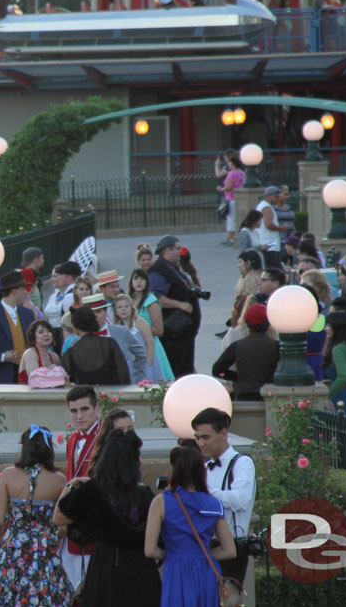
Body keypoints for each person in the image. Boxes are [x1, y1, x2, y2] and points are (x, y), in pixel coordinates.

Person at [54, 429, 161, 606]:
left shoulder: (92, 492)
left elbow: (59, 518)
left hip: (104, 566)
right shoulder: (144, 496)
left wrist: (70, 486)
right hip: (140, 568)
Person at [0, 424, 73, 607]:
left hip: (13, 546)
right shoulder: (59, 480)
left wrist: (7, 538)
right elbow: (64, 523)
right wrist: (52, 535)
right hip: (45, 547)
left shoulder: (8, 476)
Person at [145, 446, 236, 607]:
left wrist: (173, 555)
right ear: (201, 471)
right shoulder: (214, 503)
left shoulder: (161, 502)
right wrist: (202, 555)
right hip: (206, 571)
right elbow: (229, 550)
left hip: (176, 570)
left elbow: (150, 550)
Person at [192, 408, 256, 585]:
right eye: (197, 438)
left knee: (227, 600)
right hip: (206, 544)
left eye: (206, 437)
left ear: (223, 434)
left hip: (233, 548)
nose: (201, 443)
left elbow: (241, 500)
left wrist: (206, 495)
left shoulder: (242, 462)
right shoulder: (204, 467)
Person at [58, 385, 100, 588]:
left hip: (92, 524)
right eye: (74, 411)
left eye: (85, 409)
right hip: (71, 525)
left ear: (97, 409)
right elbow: (69, 476)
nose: (79, 416)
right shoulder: (73, 438)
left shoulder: (104, 438)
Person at [148, 235, 197, 376]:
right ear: (167, 250)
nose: (180, 251)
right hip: (174, 330)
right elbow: (155, 297)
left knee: (185, 366)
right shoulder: (158, 270)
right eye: (177, 248)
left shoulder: (171, 267)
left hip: (183, 331)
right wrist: (180, 304)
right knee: (177, 367)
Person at [0, 271, 38, 384]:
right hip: (2, 376)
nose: (26, 292)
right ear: (14, 291)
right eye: (23, 288)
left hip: (29, 374)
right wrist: (2, 357)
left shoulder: (28, 313)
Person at [212, 303, 278, 400]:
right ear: (268, 323)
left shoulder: (237, 346)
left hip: (243, 395)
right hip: (269, 395)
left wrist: (238, 377)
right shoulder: (276, 346)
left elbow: (217, 369)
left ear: (247, 323)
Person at [61, 306, 129, 386]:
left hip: (84, 396)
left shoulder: (69, 353)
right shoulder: (110, 343)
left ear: (75, 325)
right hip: (110, 396)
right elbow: (122, 374)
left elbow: (68, 383)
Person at [114, 294, 164, 381]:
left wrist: (147, 365)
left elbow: (150, 343)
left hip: (144, 361)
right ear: (115, 311)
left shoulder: (139, 322)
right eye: (120, 307)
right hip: (128, 363)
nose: (123, 309)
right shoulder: (116, 326)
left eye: (126, 306)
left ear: (131, 308)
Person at [18, 319, 68, 387]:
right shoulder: (30, 354)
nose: (46, 334)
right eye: (41, 332)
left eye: (48, 331)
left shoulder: (54, 356)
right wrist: (52, 370)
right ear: (33, 336)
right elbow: (35, 380)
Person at [44, 261, 80, 349]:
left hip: (62, 335)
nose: (53, 279)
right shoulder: (54, 295)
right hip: (53, 335)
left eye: (60, 275)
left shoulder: (71, 295)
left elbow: (69, 321)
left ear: (69, 277)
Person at [214, 150, 246, 246]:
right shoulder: (242, 173)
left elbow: (229, 187)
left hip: (231, 198)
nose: (228, 165)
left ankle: (231, 239)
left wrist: (221, 189)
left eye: (230, 163)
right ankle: (236, 236)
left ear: (233, 164)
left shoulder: (231, 174)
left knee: (230, 219)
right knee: (238, 218)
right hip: (240, 197)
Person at [256, 187, 284, 268]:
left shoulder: (263, 206)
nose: (278, 199)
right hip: (270, 244)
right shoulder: (266, 207)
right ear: (269, 196)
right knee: (273, 269)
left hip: (268, 243)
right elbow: (268, 224)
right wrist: (282, 228)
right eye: (276, 196)